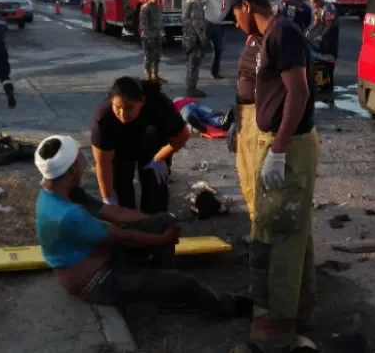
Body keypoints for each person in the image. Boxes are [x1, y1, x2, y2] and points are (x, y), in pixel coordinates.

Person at [33, 134, 253, 316]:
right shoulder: (68, 215)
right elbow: (121, 236)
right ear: (72, 171)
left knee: (163, 220)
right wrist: (161, 239)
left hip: (107, 259)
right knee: (184, 282)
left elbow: (113, 212)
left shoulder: (60, 193)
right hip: (101, 283)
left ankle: (169, 293)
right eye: (79, 161)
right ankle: (226, 306)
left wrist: (154, 222)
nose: (83, 164)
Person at [220, 0, 320, 353]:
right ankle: (298, 311)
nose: (233, 22)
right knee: (291, 233)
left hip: (289, 145)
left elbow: (299, 91)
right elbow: (263, 89)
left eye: (233, 13)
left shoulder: (282, 33)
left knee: (276, 235)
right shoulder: (266, 36)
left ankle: (273, 333)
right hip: (280, 141)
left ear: (245, 6)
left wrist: (278, 149)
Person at [91, 76, 191, 213]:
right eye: (117, 107)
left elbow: (182, 135)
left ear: (142, 102)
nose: (122, 114)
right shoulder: (103, 118)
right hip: (120, 145)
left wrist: (160, 157)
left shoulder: (159, 103)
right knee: (121, 184)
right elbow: (102, 163)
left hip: (152, 141)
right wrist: (108, 198)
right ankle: (128, 223)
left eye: (129, 108)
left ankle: (155, 223)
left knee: (154, 187)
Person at [227, 29, 264, 235]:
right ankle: (256, 230)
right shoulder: (252, 41)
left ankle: (261, 236)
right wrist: (235, 122)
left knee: (258, 185)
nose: (235, 22)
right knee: (247, 180)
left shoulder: (270, 41)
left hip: (258, 119)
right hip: (245, 117)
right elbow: (243, 81)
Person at [307, 0, 340, 105]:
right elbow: (316, 22)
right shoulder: (318, 9)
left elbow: (329, 25)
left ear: (318, 1)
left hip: (330, 44)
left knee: (329, 67)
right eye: (311, 3)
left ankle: (329, 94)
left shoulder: (328, 9)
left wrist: (321, 37)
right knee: (321, 67)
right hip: (322, 45)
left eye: (313, 3)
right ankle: (322, 91)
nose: (312, 5)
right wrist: (309, 32)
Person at [182, 0, 211, 98]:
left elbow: (186, 20)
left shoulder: (187, 1)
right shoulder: (196, 3)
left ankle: (191, 88)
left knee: (190, 64)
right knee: (194, 65)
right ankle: (191, 90)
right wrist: (203, 39)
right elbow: (197, 23)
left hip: (187, 38)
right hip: (194, 39)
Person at [204, 0, 229, 79]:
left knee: (218, 50)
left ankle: (215, 72)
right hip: (208, 25)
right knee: (201, 50)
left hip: (218, 26)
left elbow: (221, 10)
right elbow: (200, 7)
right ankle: (194, 72)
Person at [140, 0, 165, 83]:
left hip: (157, 35)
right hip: (148, 36)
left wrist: (162, 33)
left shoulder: (158, 7)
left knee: (157, 56)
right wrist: (147, 35)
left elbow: (160, 21)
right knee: (148, 57)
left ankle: (155, 75)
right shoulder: (145, 7)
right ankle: (149, 77)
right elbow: (143, 24)